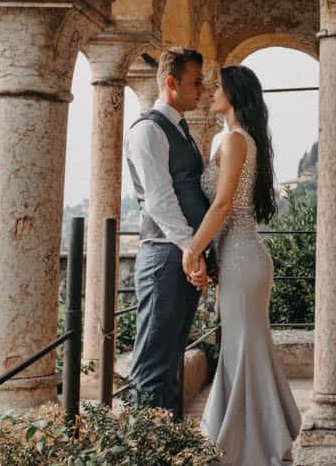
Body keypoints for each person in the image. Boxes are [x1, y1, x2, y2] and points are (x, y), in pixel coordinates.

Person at [184, 64, 301, 465]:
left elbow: (222, 205)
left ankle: (251, 444)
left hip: (242, 257)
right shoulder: (236, 139)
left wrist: (192, 250)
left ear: (234, 94)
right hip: (237, 255)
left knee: (243, 347)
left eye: (218, 86)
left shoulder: (235, 140)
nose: (212, 91)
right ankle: (255, 441)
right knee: (243, 347)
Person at [124, 47, 210, 419]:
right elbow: (159, 200)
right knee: (152, 366)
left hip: (181, 253)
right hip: (164, 255)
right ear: (171, 83)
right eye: (195, 81)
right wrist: (192, 249)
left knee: (171, 361)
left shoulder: (180, 129)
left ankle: (169, 448)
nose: (202, 89)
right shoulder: (148, 131)